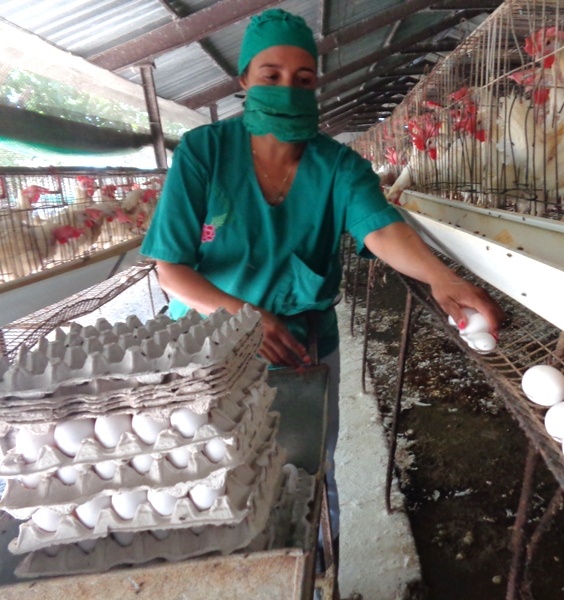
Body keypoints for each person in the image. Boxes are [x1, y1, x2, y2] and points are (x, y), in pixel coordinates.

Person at [141, 8, 505, 545]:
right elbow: (169, 266)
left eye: (303, 79)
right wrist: (243, 316)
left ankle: (311, 563)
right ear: (243, 80)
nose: (288, 88)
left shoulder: (336, 164)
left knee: (304, 472)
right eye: (271, 75)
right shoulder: (205, 152)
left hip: (303, 345)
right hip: (208, 345)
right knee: (207, 475)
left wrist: (438, 276)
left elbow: (379, 227)